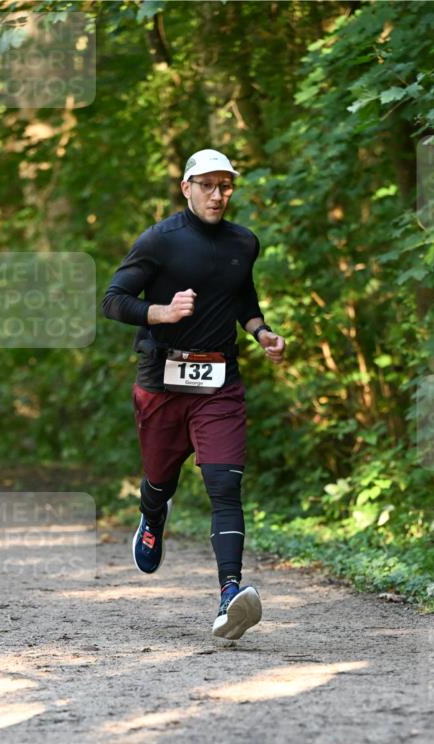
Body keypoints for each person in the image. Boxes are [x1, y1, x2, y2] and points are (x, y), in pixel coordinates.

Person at [101, 148, 285, 639]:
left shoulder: (244, 242)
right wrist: (159, 312)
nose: (218, 194)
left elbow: (242, 295)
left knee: (225, 484)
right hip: (162, 381)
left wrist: (261, 331)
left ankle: (230, 595)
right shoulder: (160, 241)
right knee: (160, 478)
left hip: (219, 383)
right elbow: (113, 300)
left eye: (226, 185)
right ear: (187, 188)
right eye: (208, 185)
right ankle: (152, 513)